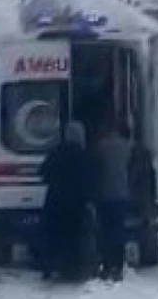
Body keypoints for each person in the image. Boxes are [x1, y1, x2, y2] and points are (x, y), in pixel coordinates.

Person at [37, 121, 97, 281]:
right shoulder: (85, 155)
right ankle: (74, 265)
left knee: (54, 233)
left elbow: (43, 173)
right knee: (75, 234)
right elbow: (92, 178)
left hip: (55, 200)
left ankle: (50, 265)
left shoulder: (56, 153)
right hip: (77, 202)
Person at [90, 117, 134, 282]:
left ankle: (106, 265)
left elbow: (95, 171)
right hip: (122, 195)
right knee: (119, 231)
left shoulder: (99, 148)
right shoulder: (128, 147)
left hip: (104, 196)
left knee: (104, 231)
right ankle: (118, 265)